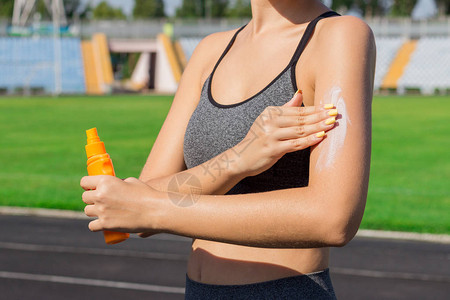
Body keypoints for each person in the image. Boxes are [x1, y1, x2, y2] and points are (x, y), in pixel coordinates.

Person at [81, 0, 376, 298]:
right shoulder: (211, 50)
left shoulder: (337, 36)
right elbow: (145, 194)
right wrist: (237, 160)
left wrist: (154, 211)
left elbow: (332, 217)